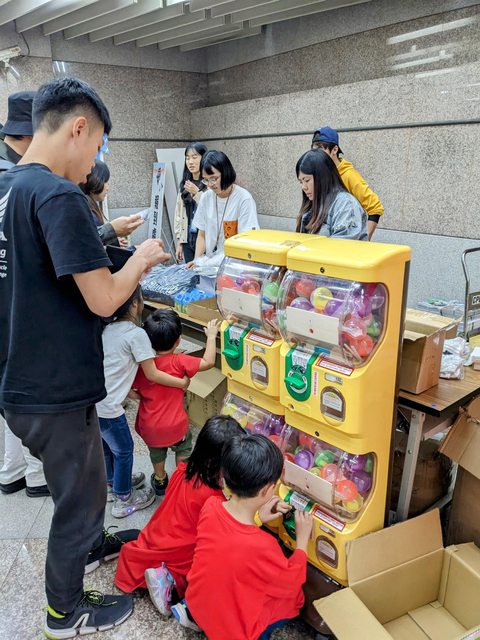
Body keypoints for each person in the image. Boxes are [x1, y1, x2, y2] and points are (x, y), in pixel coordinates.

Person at [0, 77, 171, 638]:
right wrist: (141, 259)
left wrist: (103, 237)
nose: (94, 161)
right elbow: (103, 298)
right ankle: (65, 610)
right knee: (81, 495)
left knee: (83, 479)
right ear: (78, 128)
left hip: (19, 375)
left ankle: (91, 544)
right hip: (53, 384)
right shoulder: (59, 194)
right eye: (97, 145)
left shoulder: (9, 187)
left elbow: (38, 264)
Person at [172, 434, 313, 639]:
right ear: (268, 489)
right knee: (294, 600)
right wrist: (302, 541)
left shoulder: (211, 506)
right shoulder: (262, 544)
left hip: (198, 603)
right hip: (232, 631)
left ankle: (193, 613)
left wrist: (258, 518)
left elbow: (230, 542)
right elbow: (291, 582)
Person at [114, 414, 245, 605]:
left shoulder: (183, 470)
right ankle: (168, 579)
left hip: (160, 533)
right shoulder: (213, 498)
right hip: (179, 548)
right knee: (207, 566)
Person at [96, 285, 190, 519]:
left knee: (107, 447)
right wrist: (181, 383)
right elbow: (152, 373)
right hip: (110, 407)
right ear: (135, 304)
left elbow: (113, 366)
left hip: (95, 401)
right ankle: (123, 498)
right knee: (124, 450)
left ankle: (114, 483)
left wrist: (128, 390)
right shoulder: (136, 334)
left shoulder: (108, 328)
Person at [0, 90, 49, 498]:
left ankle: (12, 470)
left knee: (8, 396)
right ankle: (35, 473)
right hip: (16, 310)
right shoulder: (20, 180)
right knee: (25, 393)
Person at [131, 309, 219, 496]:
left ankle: (160, 479)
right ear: (178, 340)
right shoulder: (180, 361)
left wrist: (142, 397)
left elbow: (129, 389)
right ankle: (181, 480)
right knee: (184, 448)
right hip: (176, 425)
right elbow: (209, 361)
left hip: (151, 426)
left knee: (156, 453)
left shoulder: (143, 367)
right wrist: (211, 336)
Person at [187, 150, 259, 267]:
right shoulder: (206, 197)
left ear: (226, 173)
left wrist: (207, 264)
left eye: (214, 178)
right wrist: (197, 261)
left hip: (234, 267)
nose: (210, 184)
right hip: (208, 267)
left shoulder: (244, 199)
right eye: (206, 180)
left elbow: (245, 242)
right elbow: (202, 235)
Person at [311, 126, 383, 239]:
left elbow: (375, 208)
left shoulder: (349, 175)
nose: (316, 153)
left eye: (320, 148)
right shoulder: (320, 174)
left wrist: (364, 240)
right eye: (314, 148)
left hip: (346, 242)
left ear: (335, 150)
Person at [296, 149, 367, 240]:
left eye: (307, 180)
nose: (304, 187)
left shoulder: (346, 204)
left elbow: (341, 245)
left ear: (322, 177)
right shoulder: (312, 203)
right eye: (301, 182)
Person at [79, 159, 143, 247]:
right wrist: (112, 230)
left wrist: (110, 241)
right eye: (105, 181)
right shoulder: (87, 210)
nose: (108, 187)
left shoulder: (87, 205)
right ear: (95, 180)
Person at [174, 142, 208, 263]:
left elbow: (211, 208)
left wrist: (197, 193)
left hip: (204, 237)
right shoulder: (185, 183)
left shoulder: (210, 183)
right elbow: (179, 214)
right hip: (188, 237)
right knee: (190, 271)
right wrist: (180, 241)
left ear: (204, 158)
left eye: (194, 157)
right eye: (187, 158)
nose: (190, 162)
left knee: (203, 271)